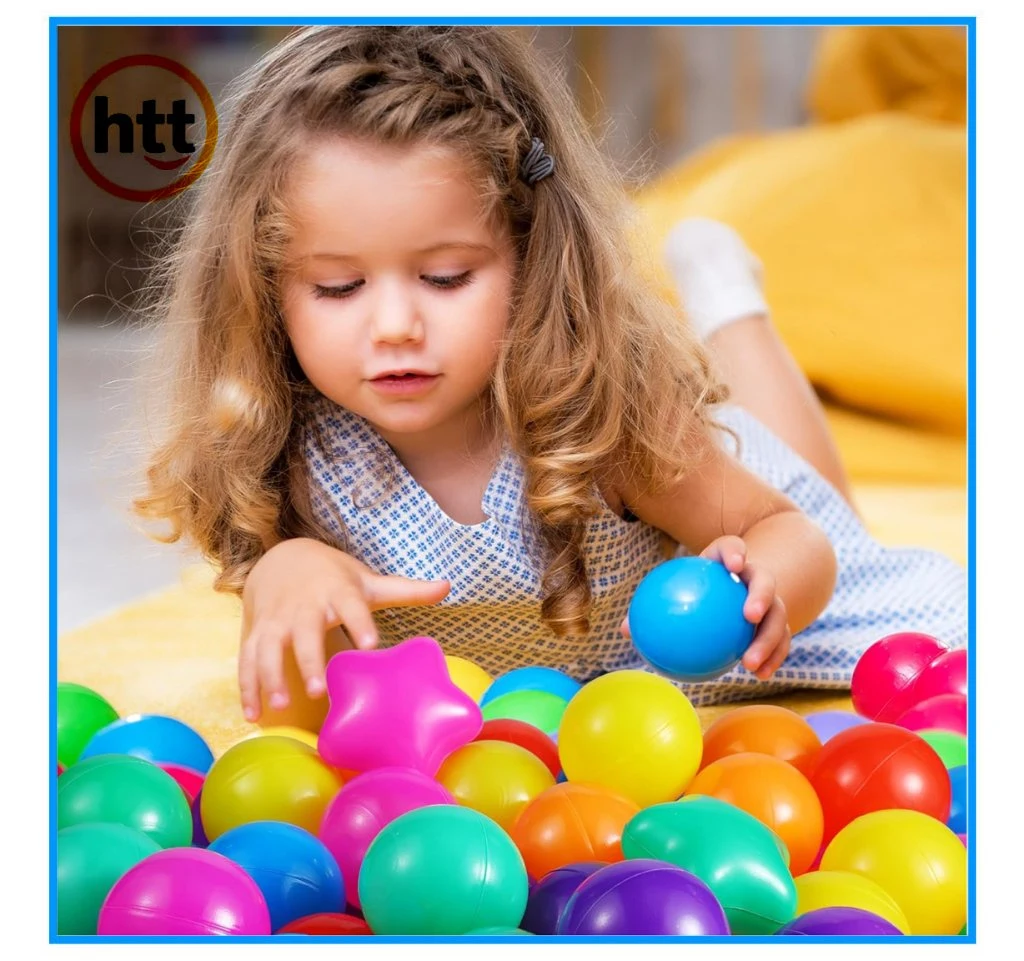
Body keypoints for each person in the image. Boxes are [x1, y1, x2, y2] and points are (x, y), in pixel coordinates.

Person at [131, 25, 967, 733]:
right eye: (339, 287)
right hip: (564, 698)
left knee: (820, 493)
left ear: (530, 257)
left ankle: (729, 302)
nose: (393, 326)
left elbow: (789, 529)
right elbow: (297, 694)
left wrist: (770, 582)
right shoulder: (298, 448)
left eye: (447, 278)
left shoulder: (597, 412)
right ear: (262, 286)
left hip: (720, 543)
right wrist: (286, 572)